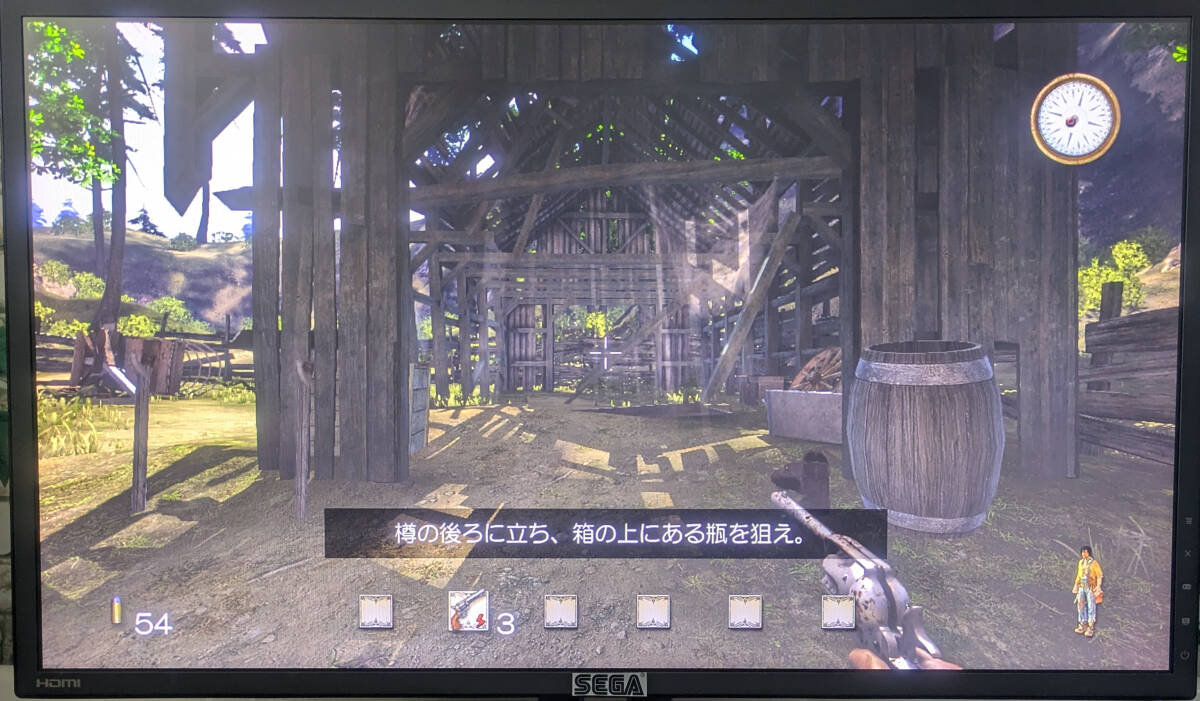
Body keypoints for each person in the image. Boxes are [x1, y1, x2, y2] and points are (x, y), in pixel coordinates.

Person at [1073, 545, 1104, 638]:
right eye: (1082, 552)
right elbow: (1079, 575)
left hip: (1091, 587)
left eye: (1085, 552)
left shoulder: (1094, 563)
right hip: (1082, 586)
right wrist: (1076, 585)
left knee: (1091, 605)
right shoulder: (1081, 563)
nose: (1083, 554)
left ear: (1089, 553)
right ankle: (1082, 623)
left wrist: (1098, 586)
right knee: (1080, 605)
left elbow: (1099, 576)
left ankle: (1090, 626)